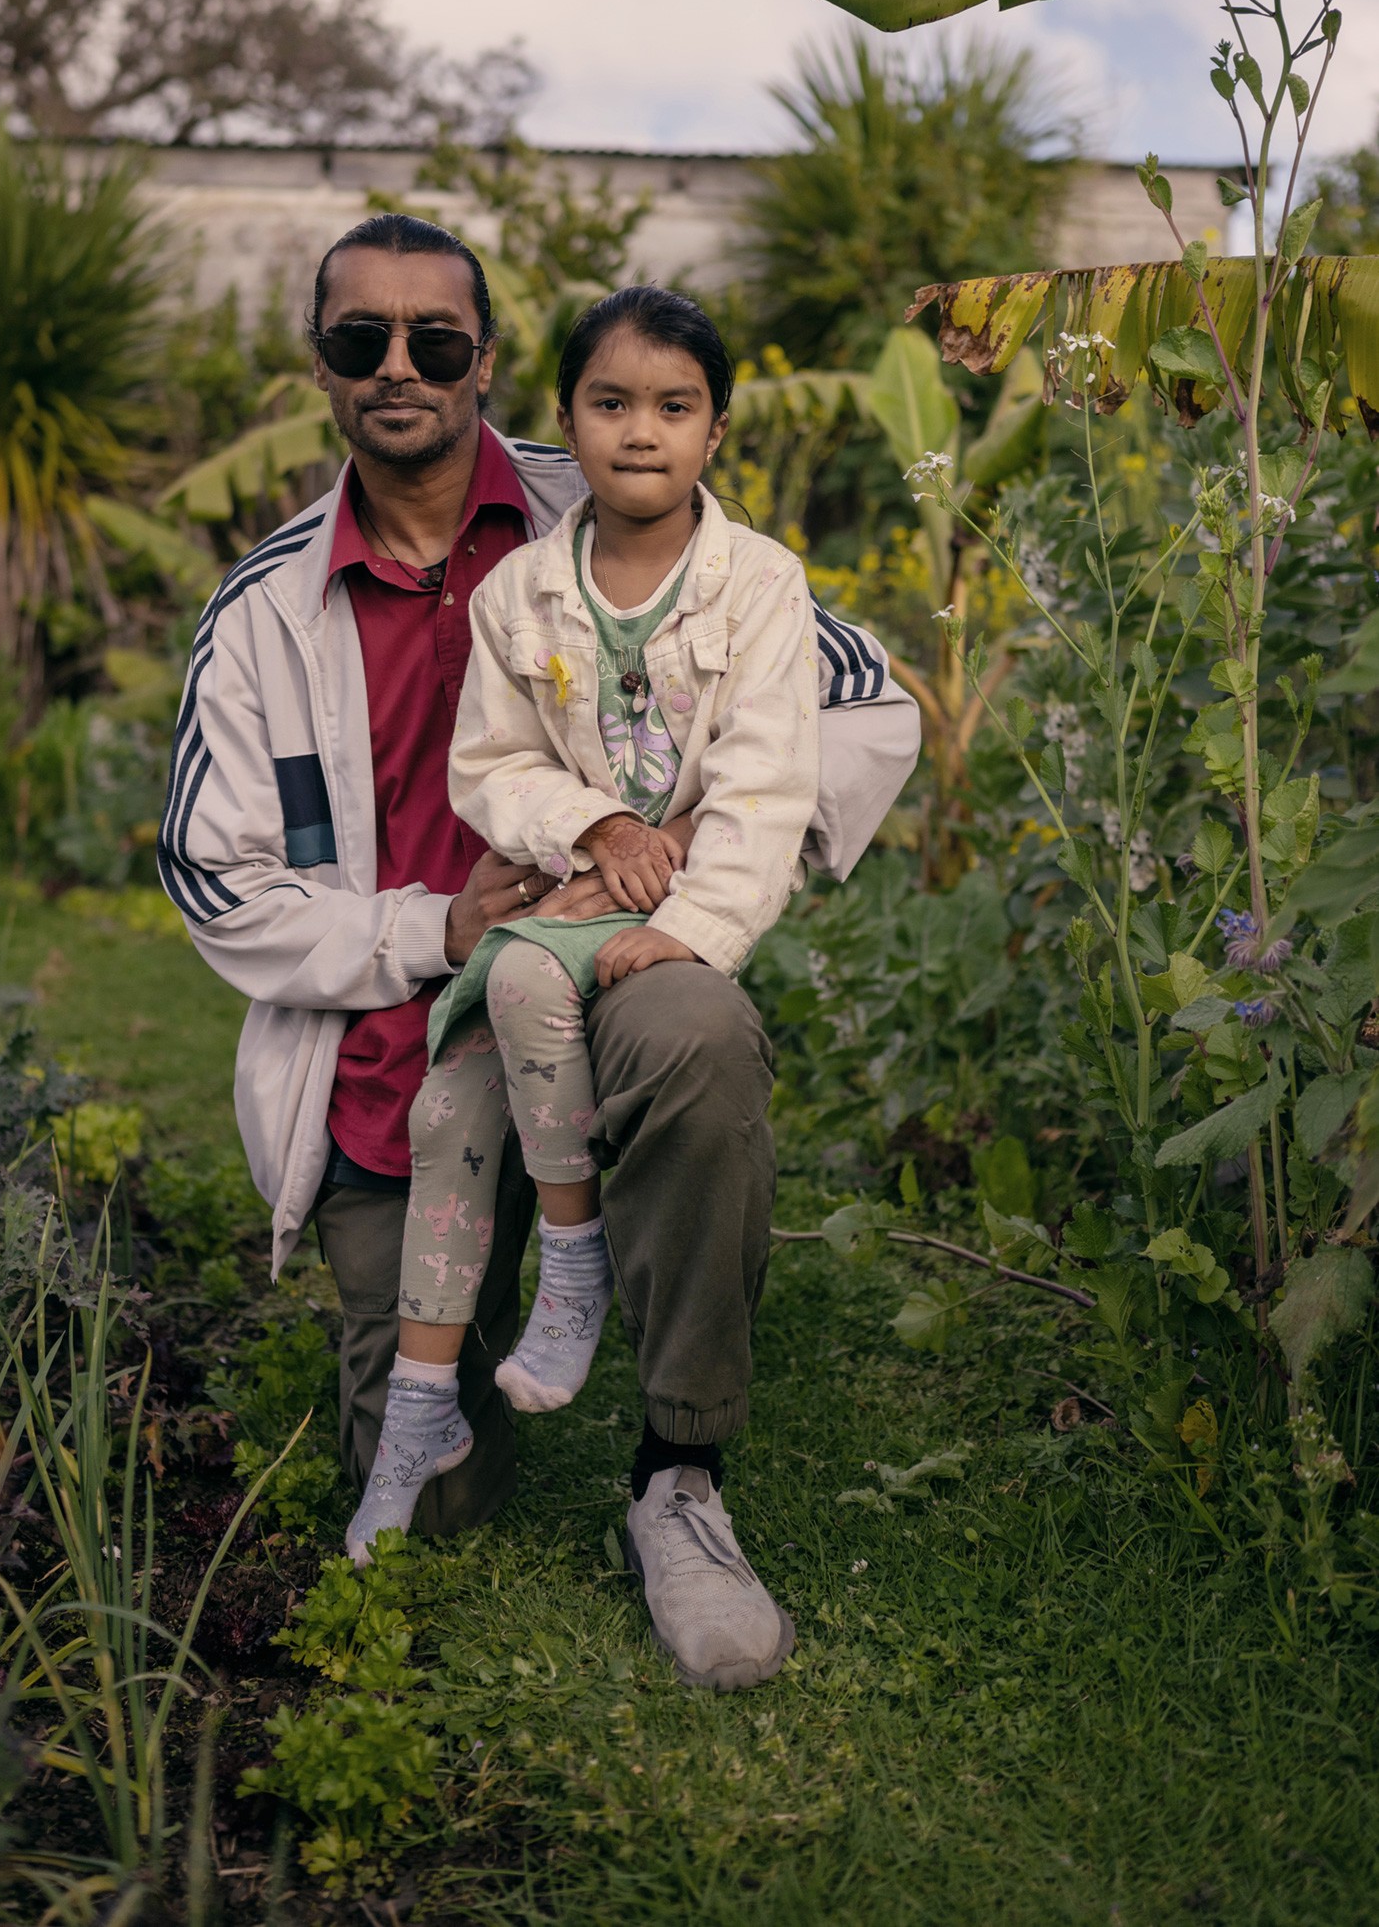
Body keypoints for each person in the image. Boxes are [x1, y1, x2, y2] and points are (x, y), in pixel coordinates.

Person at [159, 211, 918, 1692]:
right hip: (410, 1035)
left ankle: (676, 1474)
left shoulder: (628, 518)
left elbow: (862, 699)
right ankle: (481, 1332)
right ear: (320, 363)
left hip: (615, 961)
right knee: (432, 1502)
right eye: (357, 337)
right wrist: (425, 925)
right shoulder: (259, 615)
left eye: (433, 339)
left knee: (696, 1040)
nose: (397, 365)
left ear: (489, 364)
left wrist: (678, 856)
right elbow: (210, 875)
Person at [346, 288, 820, 1574]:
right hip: (566, 895)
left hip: (661, 922)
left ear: (717, 429)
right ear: (565, 420)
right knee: (446, 1115)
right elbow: (491, 762)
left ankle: (576, 1274)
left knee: (529, 1001)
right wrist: (597, 822)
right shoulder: (521, 595)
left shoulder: (763, 585)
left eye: (675, 407)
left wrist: (699, 925)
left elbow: (771, 779)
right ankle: (424, 1409)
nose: (641, 433)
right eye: (610, 404)